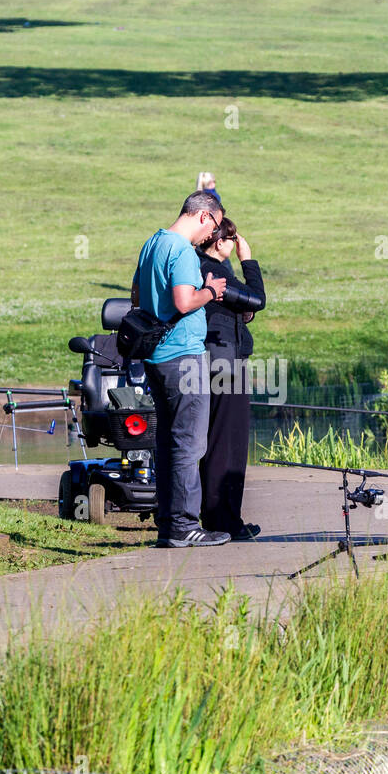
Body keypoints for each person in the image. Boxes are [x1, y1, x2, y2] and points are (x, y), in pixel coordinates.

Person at [131, 191, 230, 547]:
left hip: (156, 358)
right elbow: (184, 301)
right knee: (189, 444)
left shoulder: (152, 243)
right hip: (184, 358)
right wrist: (210, 290)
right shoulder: (184, 251)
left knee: (169, 441)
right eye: (215, 226)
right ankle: (186, 526)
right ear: (204, 216)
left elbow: (136, 297)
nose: (212, 236)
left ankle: (169, 526)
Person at [196, 217, 265, 541]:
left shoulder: (199, 266)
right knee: (229, 443)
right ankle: (224, 520)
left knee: (215, 440)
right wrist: (248, 259)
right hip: (225, 363)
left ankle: (218, 516)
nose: (236, 243)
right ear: (220, 242)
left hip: (213, 360)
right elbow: (258, 298)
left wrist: (241, 311)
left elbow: (241, 306)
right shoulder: (216, 270)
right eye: (233, 239)